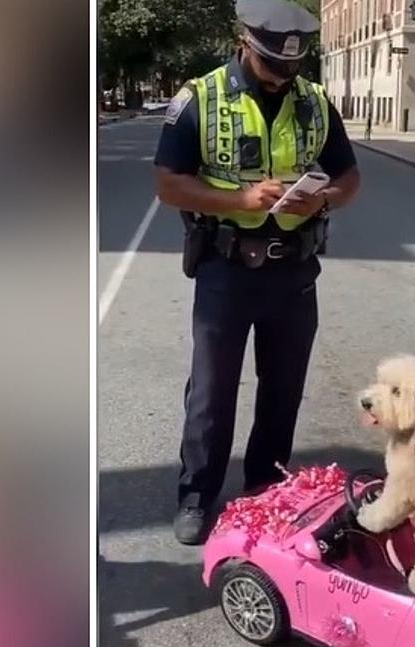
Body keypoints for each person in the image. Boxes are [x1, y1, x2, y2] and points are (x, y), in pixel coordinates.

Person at [153, 0, 361, 544]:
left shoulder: (314, 102)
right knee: (212, 392)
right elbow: (169, 183)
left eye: (291, 68)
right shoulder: (199, 99)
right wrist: (241, 196)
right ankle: (197, 495)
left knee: (283, 389)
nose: (281, 78)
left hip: (294, 274)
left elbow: (349, 178)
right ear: (246, 41)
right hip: (225, 271)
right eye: (272, 66)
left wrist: (319, 203)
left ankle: (266, 490)